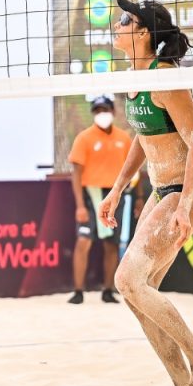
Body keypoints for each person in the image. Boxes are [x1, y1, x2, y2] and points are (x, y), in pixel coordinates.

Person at [97, 0, 193, 386]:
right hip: (160, 192)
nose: (117, 24)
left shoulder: (166, 76)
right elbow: (143, 137)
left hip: (189, 193)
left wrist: (184, 207)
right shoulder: (134, 77)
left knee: (126, 280)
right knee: (138, 292)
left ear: (144, 32)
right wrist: (117, 188)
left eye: (125, 19)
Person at [66, 94, 133, 304]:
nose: (101, 114)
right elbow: (76, 174)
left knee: (112, 244)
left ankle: (108, 290)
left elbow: (133, 172)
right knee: (83, 241)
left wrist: (139, 197)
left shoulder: (124, 138)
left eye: (104, 110)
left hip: (114, 195)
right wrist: (79, 206)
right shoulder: (84, 138)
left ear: (113, 112)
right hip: (91, 194)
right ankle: (78, 291)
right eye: (97, 111)